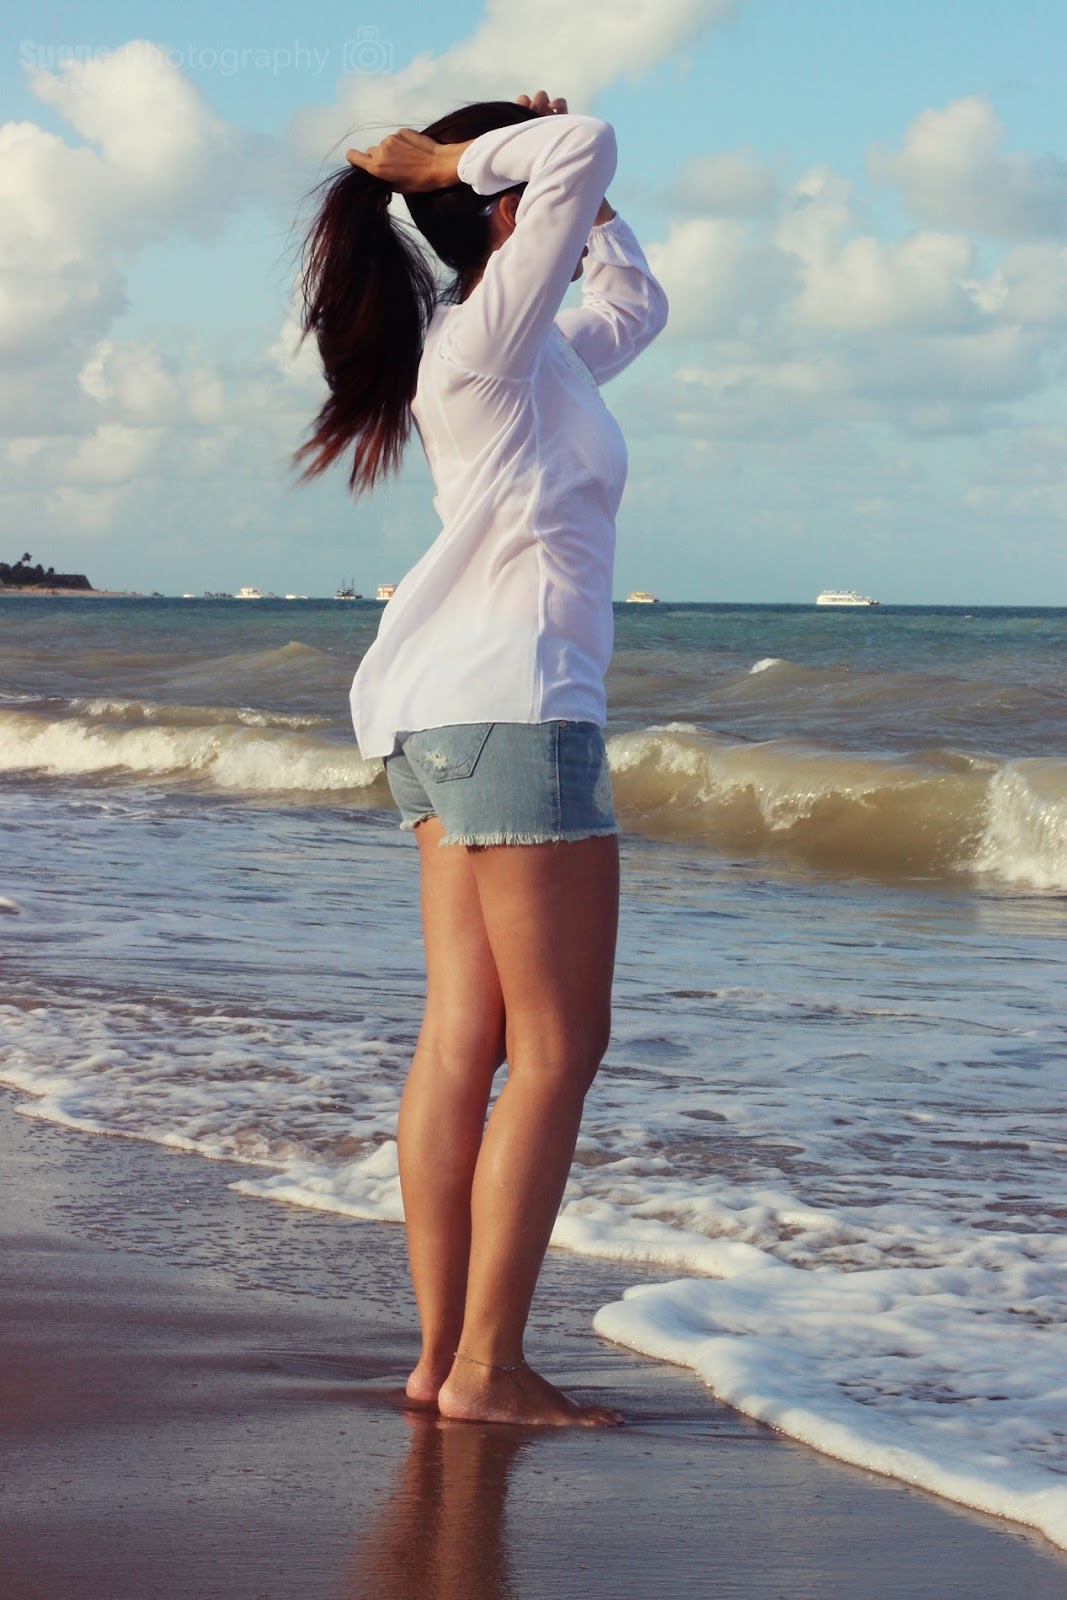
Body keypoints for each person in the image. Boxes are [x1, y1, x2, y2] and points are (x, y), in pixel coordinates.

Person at [297, 89, 667, 1425]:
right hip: (517, 706)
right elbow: (583, 141)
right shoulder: (490, 337)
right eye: (544, 200)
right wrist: (448, 160)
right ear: (505, 214)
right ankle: (488, 1368)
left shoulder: (524, 348)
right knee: (558, 1045)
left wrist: (585, 207)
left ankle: (445, 1359)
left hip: (450, 714)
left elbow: (639, 306)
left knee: (469, 1033)